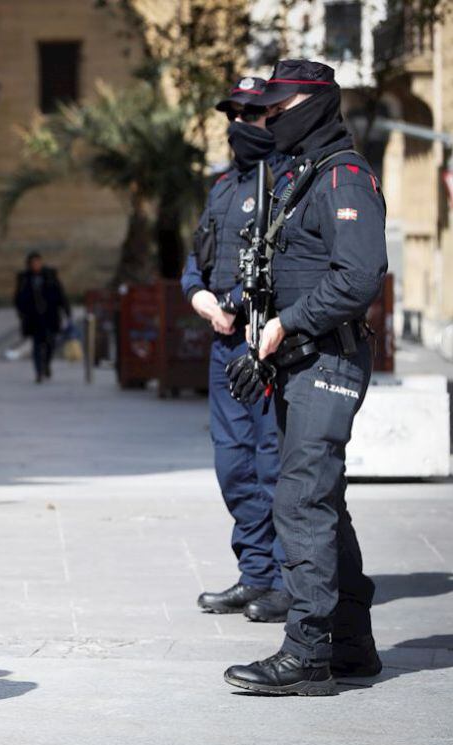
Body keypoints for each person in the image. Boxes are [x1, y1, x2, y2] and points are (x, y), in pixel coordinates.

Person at [222, 59, 387, 695]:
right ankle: (350, 643)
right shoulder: (303, 176)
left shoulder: (344, 177)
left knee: (300, 500)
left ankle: (307, 654)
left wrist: (287, 323)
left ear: (311, 108)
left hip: (329, 360)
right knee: (323, 502)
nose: (265, 123)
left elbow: (359, 276)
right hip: (299, 361)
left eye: (275, 112)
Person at [180, 77, 291, 623]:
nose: (241, 125)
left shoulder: (290, 182)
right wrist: (201, 298)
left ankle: (280, 580)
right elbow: (194, 261)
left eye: (252, 114)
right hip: (224, 345)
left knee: (270, 463)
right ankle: (254, 575)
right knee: (233, 466)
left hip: (266, 347)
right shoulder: (222, 187)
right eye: (234, 115)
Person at [14, 252, 71, 382]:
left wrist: (66, 311)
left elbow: (60, 294)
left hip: (50, 316)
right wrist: (22, 312)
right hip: (33, 317)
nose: (36, 265)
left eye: (38, 262)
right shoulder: (24, 278)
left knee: (50, 343)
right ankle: (38, 372)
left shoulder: (50, 275)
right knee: (36, 345)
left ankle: (46, 364)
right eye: (33, 263)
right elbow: (18, 297)